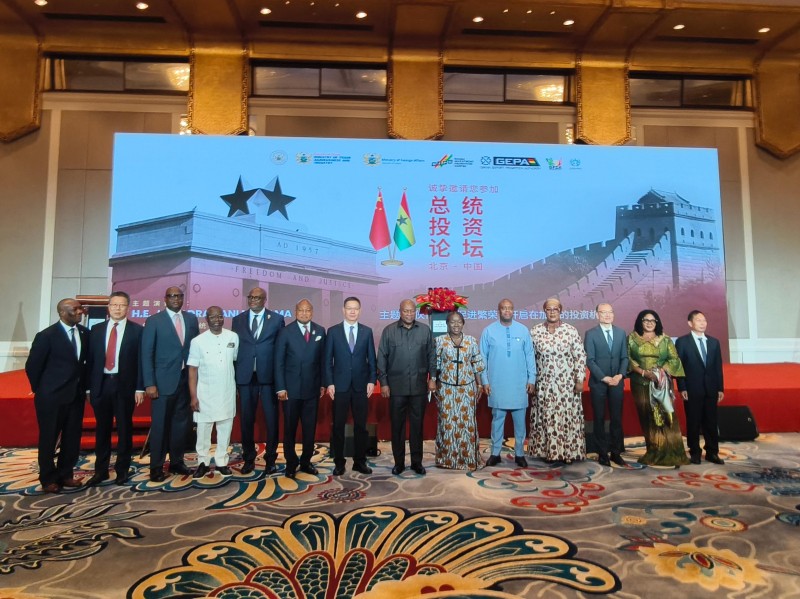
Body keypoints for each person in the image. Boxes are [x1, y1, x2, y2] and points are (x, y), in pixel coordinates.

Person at [25, 298, 89, 493]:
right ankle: (48, 478)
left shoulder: (84, 333)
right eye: (75, 309)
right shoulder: (47, 336)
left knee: (72, 437)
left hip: (75, 396)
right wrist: (41, 389)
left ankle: (65, 474)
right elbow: (33, 366)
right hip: (51, 398)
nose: (80, 312)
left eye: (80, 308)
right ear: (62, 312)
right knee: (49, 438)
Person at [141, 286, 200, 482]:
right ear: (165, 299)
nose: (175, 299)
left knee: (180, 425)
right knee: (160, 426)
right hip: (161, 383)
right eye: (171, 296)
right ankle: (156, 467)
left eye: (179, 296)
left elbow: (194, 350)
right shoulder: (154, 321)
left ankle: (177, 462)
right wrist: (149, 383)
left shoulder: (191, 319)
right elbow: (146, 353)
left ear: (183, 298)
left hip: (185, 381)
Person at [86, 291, 144, 486]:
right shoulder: (96, 330)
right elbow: (90, 362)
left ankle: (122, 470)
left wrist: (139, 388)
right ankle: (100, 471)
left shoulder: (137, 331)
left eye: (122, 305)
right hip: (101, 385)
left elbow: (141, 362)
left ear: (128, 308)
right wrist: (88, 388)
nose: (117, 309)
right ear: (108, 307)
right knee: (102, 429)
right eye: (114, 305)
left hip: (125, 386)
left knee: (124, 429)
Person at [377, 299, 437, 476]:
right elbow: (382, 358)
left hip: (419, 387)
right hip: (396, 388)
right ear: (400, 312)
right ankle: (399, 463)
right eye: (406, 311)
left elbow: (432, 356)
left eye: (412, 311)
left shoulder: (424, 330)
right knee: (398, 427)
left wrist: (433, 378)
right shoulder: (389, 331)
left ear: (415, 312)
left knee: (417, 427)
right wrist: (384, 383)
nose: (409, 314)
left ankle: (417, 463)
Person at [231, 287, 285, 475]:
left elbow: (280, 350)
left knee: (271, 420)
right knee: (246, 420)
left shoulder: (277, 319)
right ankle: (248, 458)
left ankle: (271, 459)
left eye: (257, 297)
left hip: (268, 377)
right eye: (251, 297)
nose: (253, 300)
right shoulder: (238, 320)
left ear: (264, 299)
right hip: (245, 377)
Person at [627, 309, 689, 467]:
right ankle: (653, 451)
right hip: (640, 384)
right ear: (640, 322)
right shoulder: (632, 338)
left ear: (657, 323)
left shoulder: (665, 339)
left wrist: (660, 371)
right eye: (645, 320)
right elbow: (628, 359)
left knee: (666, 415)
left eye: (652, 320)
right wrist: (643, 372)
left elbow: (674, 359)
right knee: (647, 417)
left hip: (661, 384)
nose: (649, 323)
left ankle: (672, 452)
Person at [529, 298, 587, 464]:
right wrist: (531, 380)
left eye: (555, 309)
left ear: (560, 311)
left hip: (567, 384)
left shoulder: (570, 331)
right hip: (544, 384)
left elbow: (580, 356)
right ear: (544, 311)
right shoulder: (535, 331)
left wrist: (579, 379)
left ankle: (568, 453)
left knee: (566, 417)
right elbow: (529, 358)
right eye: (549, 309)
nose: (552, 312)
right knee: (547, 417)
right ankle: (549, 452)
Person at [479, 298, 536, 467]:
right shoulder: (488, 331)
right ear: (498, 311)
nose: (507, 311)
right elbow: (482, 358)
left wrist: (532, 379)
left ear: (513, 311)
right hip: (497, 383)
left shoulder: (523, 330)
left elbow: (530, 356)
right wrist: (484, 381)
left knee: (520, 423)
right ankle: (495, 453)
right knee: (497, 421)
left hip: (519, 384)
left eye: (510, 308)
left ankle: (520, 454)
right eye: (503, 308)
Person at [324, 296, 377, 476]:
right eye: (349, 308)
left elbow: (372, 359)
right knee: (338, 426)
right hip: (339, 386)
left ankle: (359, 462)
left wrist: (372, 380)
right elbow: (327, 361)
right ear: (343, 310)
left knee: (361, 426)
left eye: (355, 308)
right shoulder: (333, 331)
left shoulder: (367, 331)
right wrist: (329, 383)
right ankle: (339, 463)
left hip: (361, 386)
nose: (352, 311)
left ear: (360, 311)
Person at [274, 299, 326, 479]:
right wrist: (280, 387)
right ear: (295, 312)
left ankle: (306, 461)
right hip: (291, 391)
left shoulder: (320, 331)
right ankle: (291, 463)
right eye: (301, 310)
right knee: (290, 429)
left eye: (307, 310)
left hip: (312, 389)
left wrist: (322, 383)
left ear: (312, 312)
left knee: (309, 429)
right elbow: (279, 362)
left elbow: (323, 360)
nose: (304, 313)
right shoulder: (285, 332)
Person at [188, 306, 239, 478]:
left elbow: (235, 360)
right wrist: (193, 396)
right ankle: (202, 463)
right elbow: (192, 370)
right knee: (203, 431)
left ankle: (221, 462)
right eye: (213, 317)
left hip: (226, 391)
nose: (217, 319)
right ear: (206, 319)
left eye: (220, 316)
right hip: (205, 393)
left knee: (225, 428)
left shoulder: (233, 337)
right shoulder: (197, 341)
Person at [434, 311, 485, 470]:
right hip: (446, 387)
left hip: (466, 388)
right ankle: (446, 460)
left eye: (459, 322)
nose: (456, 325)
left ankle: (468, 459)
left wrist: (479, 385)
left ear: (463, 323)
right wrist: (434, 384)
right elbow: (435, 365)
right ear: (447, 324)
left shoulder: (471, 341)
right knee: (447, 423)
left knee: (467, 424)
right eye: (452, 322)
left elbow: (477, 364)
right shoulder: (439, 341)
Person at [675, 310, 725, 465]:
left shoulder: (714, 342)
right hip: (691, 389)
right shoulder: (682, 342)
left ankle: (712, 452)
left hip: (711, 389)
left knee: (711, 422)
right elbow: (679, 367)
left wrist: (720, 388)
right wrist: (682, 387)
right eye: (698, 320)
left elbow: (718, 368)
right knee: (693, 422)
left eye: (704, 320)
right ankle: (695, 452)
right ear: (690, 323)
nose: (702, 323)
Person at [584, 302, 629, 467]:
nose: (607, 315)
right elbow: (590, 360)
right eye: (603, 312)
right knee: (599, 418)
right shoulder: (591, 334)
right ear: (597, 315)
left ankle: (616, 452)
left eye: (610, 312)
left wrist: (620, 375)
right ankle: (602, 453)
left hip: (617, 382)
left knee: (616, 418)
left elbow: (625, 357)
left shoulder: (621, 333)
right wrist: (604, 377)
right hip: (599, 383)